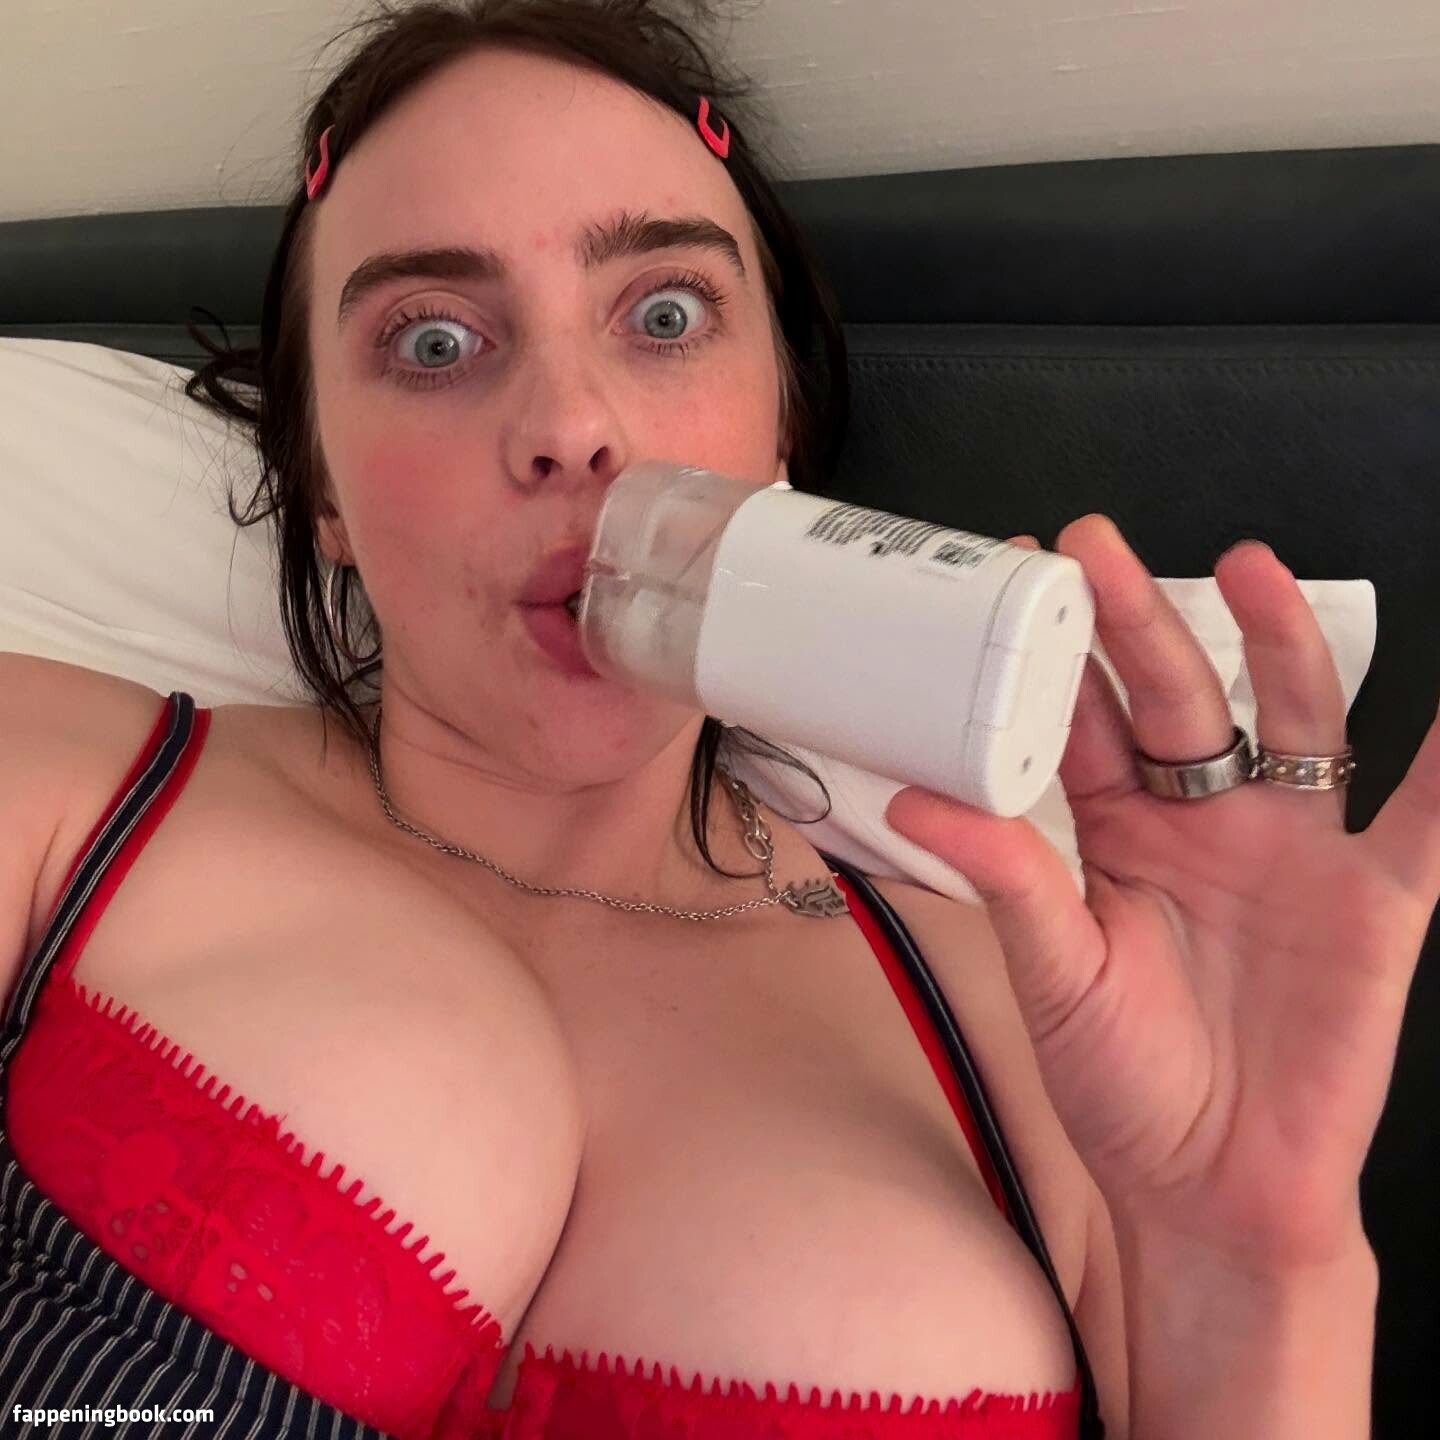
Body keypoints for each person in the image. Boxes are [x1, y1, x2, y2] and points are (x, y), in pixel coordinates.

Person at [2, 3, 1436, 1438]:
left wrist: (1261, 1258)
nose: (572, 424)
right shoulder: (64, 783)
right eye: (435, 339)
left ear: (779, 431)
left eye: (667, 316)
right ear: (321, 487)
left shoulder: (1050, 1023)